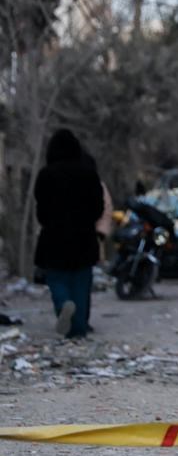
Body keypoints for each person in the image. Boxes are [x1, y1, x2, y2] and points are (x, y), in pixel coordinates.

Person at [34, 129, 104, 340]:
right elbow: (98, 207)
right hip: (84, 238)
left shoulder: (46, 175)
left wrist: (50, 222)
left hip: (54, 238)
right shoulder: (89, 174)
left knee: (57, 279)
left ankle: (63, 303)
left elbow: (41, 210)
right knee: (81, 283)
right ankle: (79, 329)